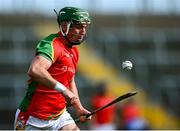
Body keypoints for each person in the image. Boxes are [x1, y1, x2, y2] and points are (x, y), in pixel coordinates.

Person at [14, 6, 92, 130]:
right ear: (64, 25)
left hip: (59, 117)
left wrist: (79, 108)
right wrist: (63, 90)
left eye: (85, 27)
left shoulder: (74, 51)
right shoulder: (51, 44)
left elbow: (70, 80)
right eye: (78, 26)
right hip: (32, 118)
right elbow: (35, 70)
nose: (83, 31)